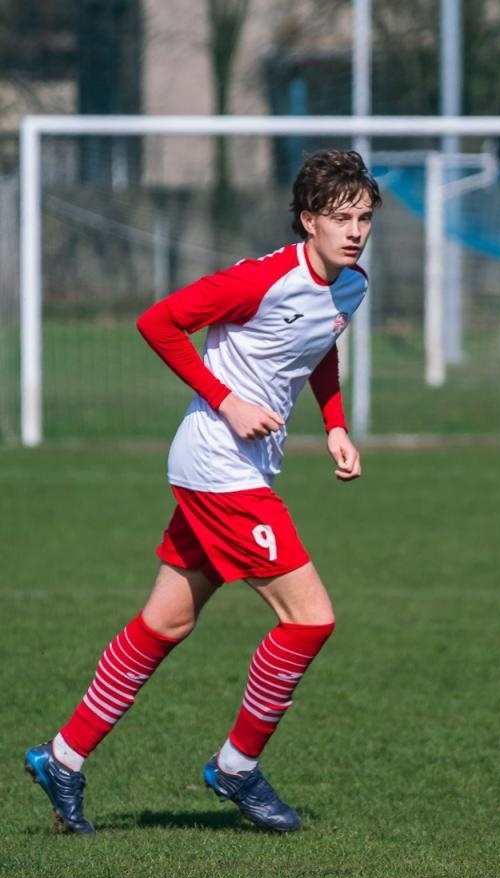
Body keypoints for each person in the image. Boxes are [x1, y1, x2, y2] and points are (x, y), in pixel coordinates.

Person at [23, 149, 380, 834]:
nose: (355, 230)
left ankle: (63, 756)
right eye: (340, 217)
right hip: (221, 464)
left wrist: (334, 424)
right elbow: (158, 322)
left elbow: (319, 345)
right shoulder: (262, 280)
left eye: (364, 217)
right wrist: (226, 401)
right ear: (308, 219)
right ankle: (236, 766)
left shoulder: (350, 286)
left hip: (235, 469)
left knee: (166, 622)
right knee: (309, 618)